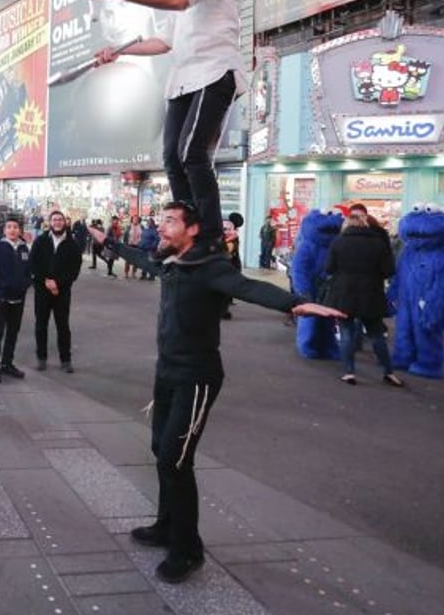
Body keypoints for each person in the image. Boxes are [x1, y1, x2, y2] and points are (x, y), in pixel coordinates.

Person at [94, 202, 343, 583]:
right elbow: (144, 260)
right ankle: (166, 526)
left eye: (170, 222)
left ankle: (188, 549)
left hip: (197, 377)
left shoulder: (210, 269)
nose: (161, 228)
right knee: (162, 450)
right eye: (161, 221)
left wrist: (295, 303)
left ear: (193, 229)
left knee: (176, 460)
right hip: (167, 373)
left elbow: (248, 288)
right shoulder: (175, 263)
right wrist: (109, 242)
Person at [83, 0, 244, 250]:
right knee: (171, 156)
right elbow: (164, 42)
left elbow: (182, 0)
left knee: (191, 153)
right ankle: (187, 224)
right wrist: (120, 50)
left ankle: (210, 236)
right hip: (183, 77)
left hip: (214, 71)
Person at [323, 212, 403, 386]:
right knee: (376, 335)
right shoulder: (378, 243)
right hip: (371, 294)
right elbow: (389, 270)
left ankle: (349, 372)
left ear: (347, 225)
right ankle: (388, 372)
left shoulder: (338, 242)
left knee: (346, 333)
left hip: (343, 294)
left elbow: (329, 268)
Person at [29, 210, 82, 372]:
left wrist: (57, 283)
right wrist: (45, 281)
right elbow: (33, 264)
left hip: (62, 292)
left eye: (60, 220)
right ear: (49, 222)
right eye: (54, 220)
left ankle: (65, 360)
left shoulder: (72, 244)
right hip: (42, 290)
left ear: (65, 222)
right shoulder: (40, 241)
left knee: (63, 326)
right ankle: (41, 358)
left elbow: (74, 270)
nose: (57, 223)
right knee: (41, 325)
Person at [0, 215, 31, 383]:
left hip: (18, 298)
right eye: (9, 227)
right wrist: (1, 284)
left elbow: (29, 270)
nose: (12, 230)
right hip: (2, 298)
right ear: (4, 230)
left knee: (13, 332)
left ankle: (7, 363)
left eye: (15, 227)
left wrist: (26, 283)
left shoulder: (24, 248)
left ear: (20, 230)